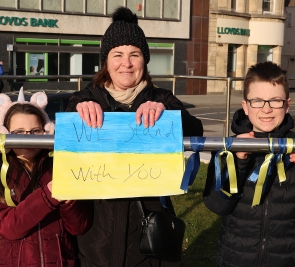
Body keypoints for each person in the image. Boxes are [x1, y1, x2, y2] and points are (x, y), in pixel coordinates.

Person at [66, 6, 203, 267]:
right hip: (96, 240)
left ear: (145, 60)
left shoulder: (161, 98)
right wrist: (78, 110)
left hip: (148, 242)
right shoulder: (85, 98)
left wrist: (169, 114)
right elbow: (63, 137)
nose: (126, 63)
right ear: (105, 61)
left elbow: (196, 129)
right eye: (117, 54)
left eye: (135, 54)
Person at [203, 61, 295, 267]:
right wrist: (239, 162)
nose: (266, 109)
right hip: (236, 258)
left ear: (287, 105)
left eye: (275, 101)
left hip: (286, 258)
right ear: (245, 106)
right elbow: (217, 205)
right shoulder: (229, 148)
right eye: (257, 101)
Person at [0, 89, 92, 267]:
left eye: (35, 131)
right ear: (3, 133)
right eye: (18, 133)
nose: (28, 139)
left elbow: (80, 227)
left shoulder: (61, 169)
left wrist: (70, 203)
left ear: (46, 131)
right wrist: (48, 195)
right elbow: (8, 227)